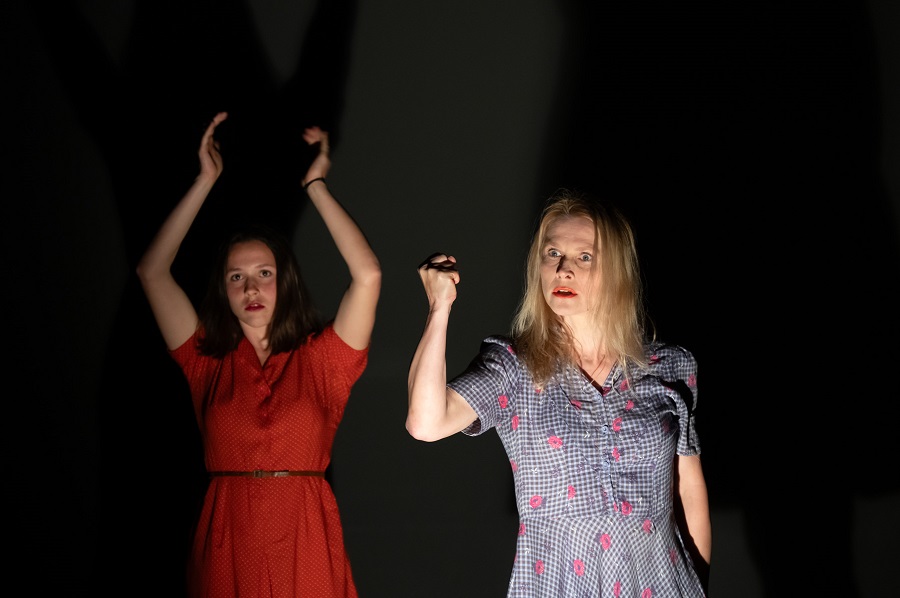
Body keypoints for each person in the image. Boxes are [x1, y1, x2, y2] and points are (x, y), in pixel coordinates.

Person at [407, 189, 711, 597]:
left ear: (616, 271)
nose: (564, 270)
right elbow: (426, 423)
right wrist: (439, 308)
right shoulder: (513, 366)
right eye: (553, 254)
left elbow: (688, 487)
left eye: (584, 257)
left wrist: (697, 587)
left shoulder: (669, 365)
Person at [137, 111, 381, 597]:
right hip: (228, 539)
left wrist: (315, 185)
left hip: (305, 536)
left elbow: (368, 275)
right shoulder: (204, 360)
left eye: (264, 274)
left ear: (283, 281)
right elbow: (152, 272)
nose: (251, 287)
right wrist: (205, 180)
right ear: (223, 290)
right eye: (237, 277)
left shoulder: (323, 360)